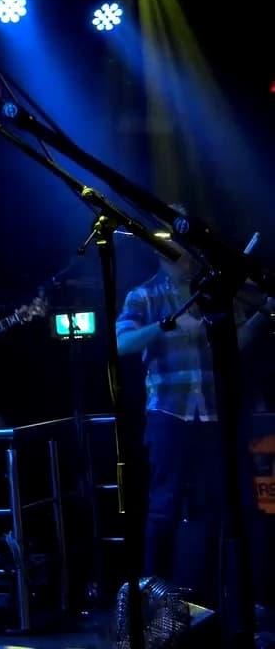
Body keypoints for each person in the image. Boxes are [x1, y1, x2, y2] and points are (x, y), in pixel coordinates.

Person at [116, 209, 271, 605]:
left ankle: (208, 597)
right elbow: (122, 344)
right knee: (163, 508)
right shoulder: (144, 295)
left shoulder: (210, 294)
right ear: (164, 254)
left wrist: (261, 315)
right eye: (179, 252)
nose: (187, 258)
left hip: (212, 416)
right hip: (169, 415)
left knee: (216, 507)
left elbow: (233, 343)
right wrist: (165, 326)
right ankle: (153, 598)